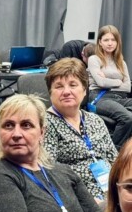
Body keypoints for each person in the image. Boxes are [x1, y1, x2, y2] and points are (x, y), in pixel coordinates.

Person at [43, 58, 117, 202]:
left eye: (73, 85)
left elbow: (114, 160)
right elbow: (49, 174)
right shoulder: (45, 124)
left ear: (84, 90)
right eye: (59, 86)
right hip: (77, 199)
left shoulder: (95, 120)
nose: (66, 92)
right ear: (50, 92)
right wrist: (89, 201)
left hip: (111, 193)